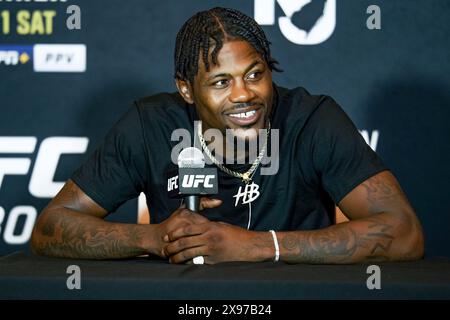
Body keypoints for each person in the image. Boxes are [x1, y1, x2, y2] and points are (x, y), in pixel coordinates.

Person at [30, 7, 424, 264]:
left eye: (255, 74)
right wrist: (154, 238)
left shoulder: (312, 120)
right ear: (186, 89)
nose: (243, 94)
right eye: (221, 82)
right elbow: (50, 228)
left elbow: (404, 233)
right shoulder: (151, 125)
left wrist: (258, 246)